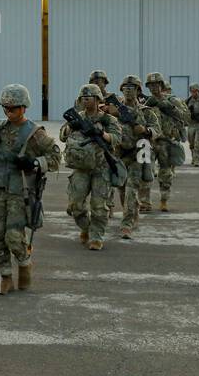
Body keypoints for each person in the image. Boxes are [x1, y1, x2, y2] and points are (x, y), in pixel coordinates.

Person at [0, 84, 61, 293]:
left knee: (14, 237)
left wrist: (34, 163)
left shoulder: (34, 133)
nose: (8, 112)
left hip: (19, 194)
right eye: (5, 108)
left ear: (24, 107)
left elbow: (56, 156)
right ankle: (5, 276)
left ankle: (24, 263)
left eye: (13, 108)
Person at [59, 84, 121, 250]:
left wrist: (102, 134)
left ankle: (96, 237)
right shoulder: (76, 118)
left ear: (97, 99)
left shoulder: (108, 119)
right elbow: (62, 135)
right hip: (81, 168)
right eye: (83, 98)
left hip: (101, 168)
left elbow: (117, 138)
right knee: (75, 206)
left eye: (89, 97)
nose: (85, 100)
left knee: (99, 207)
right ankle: (86, 228)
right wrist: (70, 127)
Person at [113, 75, 159, 239]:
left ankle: (127, 224)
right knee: (122, 189)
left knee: (132, 189)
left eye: (132, 87)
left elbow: (156, 130)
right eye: (125, 87)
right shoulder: (114, 110)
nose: (128, 90)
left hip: (136, 155)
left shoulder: (146, 112)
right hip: (118, 154)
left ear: (138, 91)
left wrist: (145, 131)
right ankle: (133, 212)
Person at [140, 73, 188, 211]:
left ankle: (164, 200)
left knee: (166, 173)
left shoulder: (173, 100)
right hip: (149, 142)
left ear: (162, 85)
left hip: (166, 142)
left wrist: (166, 105)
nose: (154, 88)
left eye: (156, 85)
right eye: (151, 85)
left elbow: (184, 117)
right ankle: (145, 202)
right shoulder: (145, 102)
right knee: (146, 172)